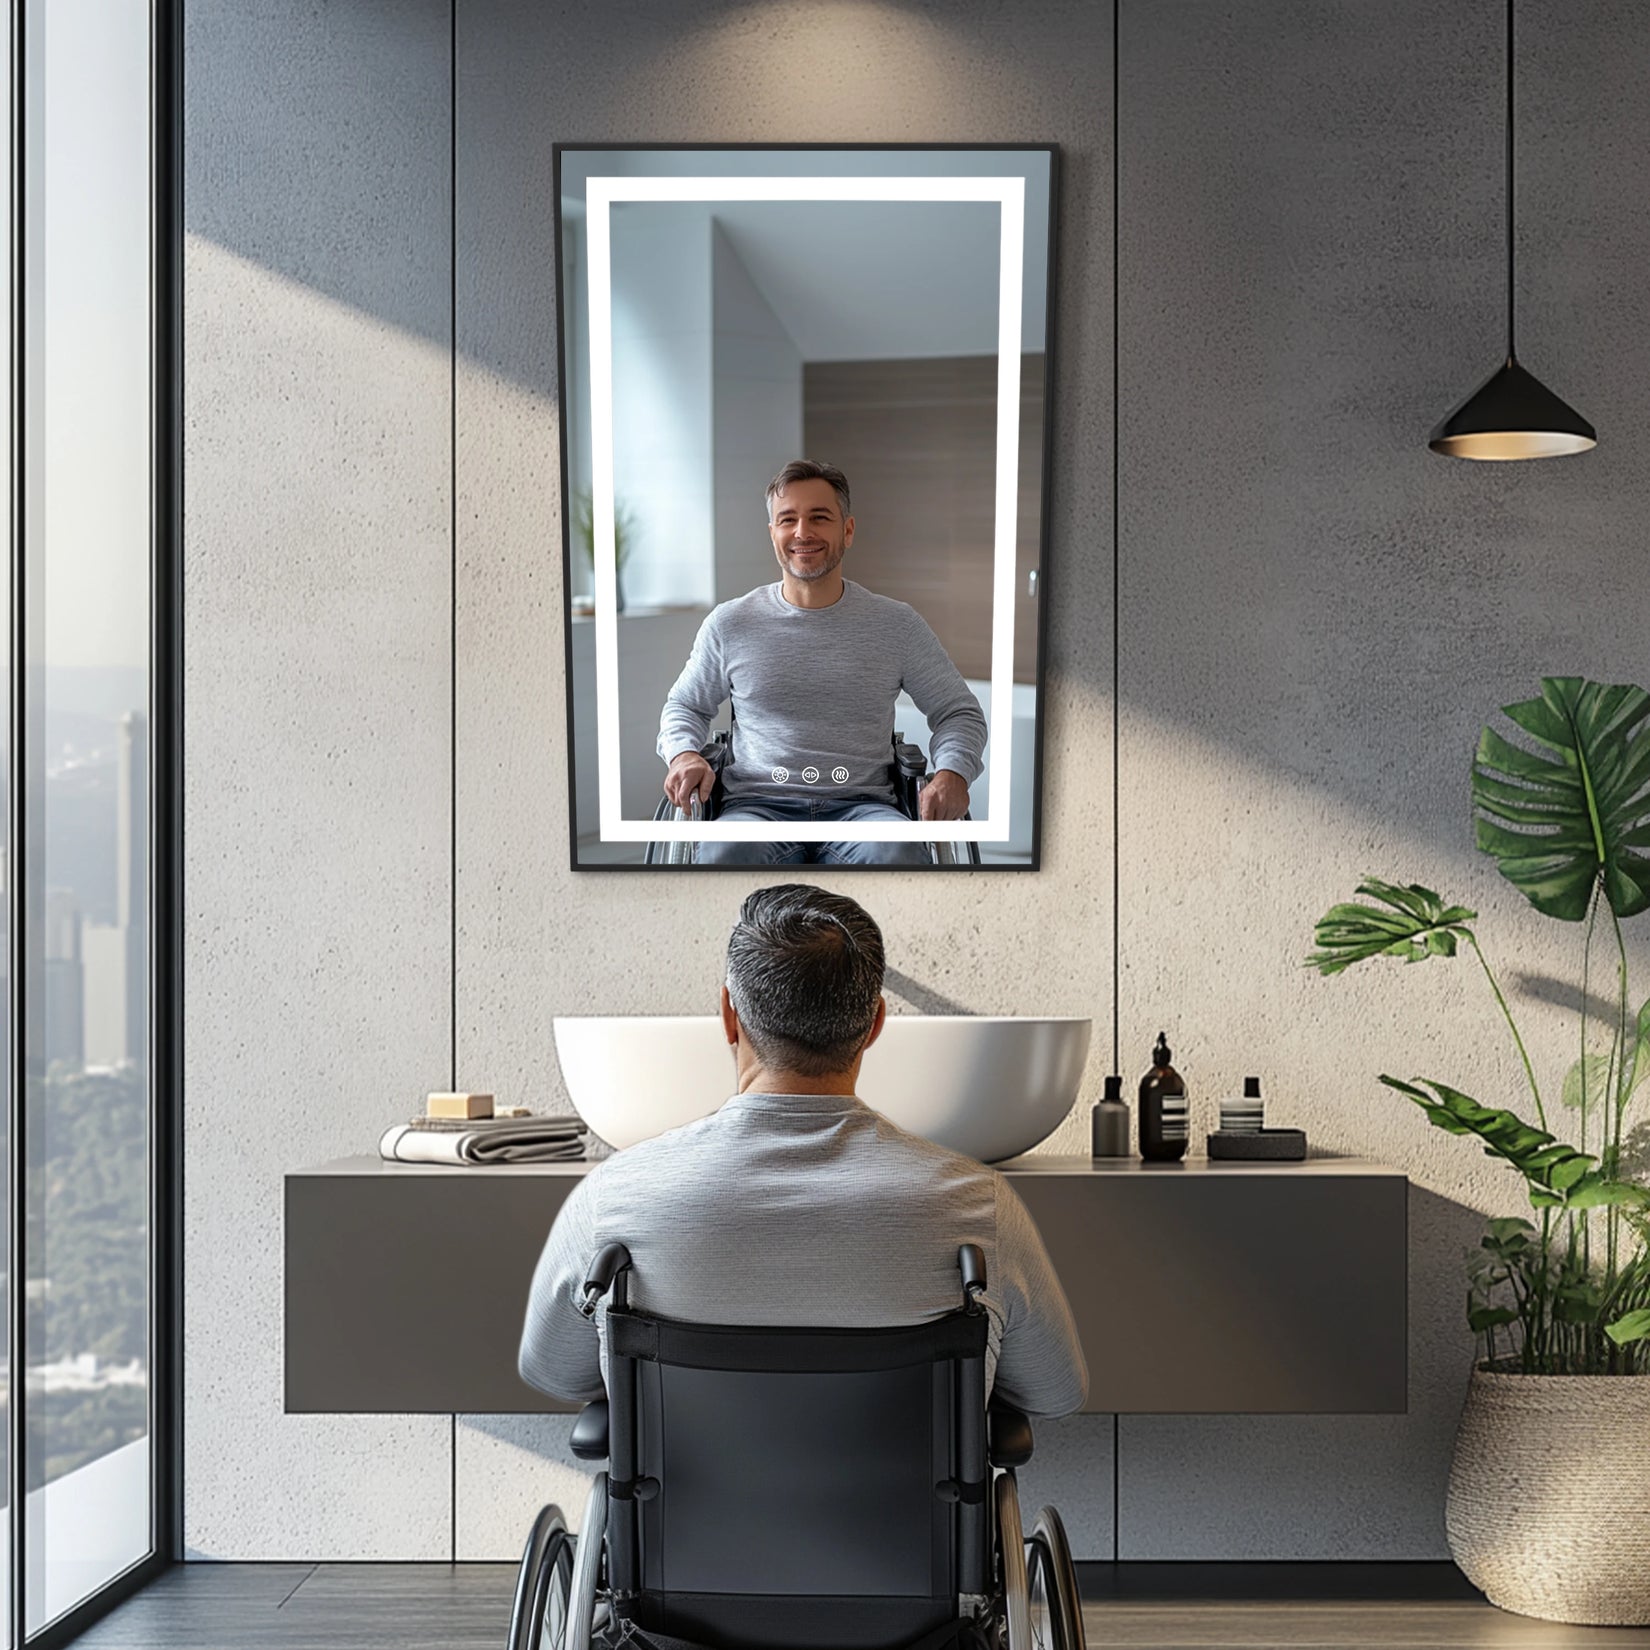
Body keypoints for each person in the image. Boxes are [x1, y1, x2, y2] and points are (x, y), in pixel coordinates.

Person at [518, 884, 1087, 1419]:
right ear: (875, 1024)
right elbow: (1054, 1392)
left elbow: (555, 1373)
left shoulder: (615, 1198)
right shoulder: (978, 1206)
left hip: (683, 1520)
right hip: (904, 1525)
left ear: (728, 1015)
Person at [656, 460, 989, 867]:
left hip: (863, 808)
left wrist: (953, 773)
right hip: (757, 807)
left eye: (819, 517)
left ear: (847, 530)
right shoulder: (730, 624)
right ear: (773, 534)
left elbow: (959, 712)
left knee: (896, 852)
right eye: (787, 519)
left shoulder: (896, 625)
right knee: (727, 852)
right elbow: (684, 707)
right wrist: (684, 754)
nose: (802, 532)